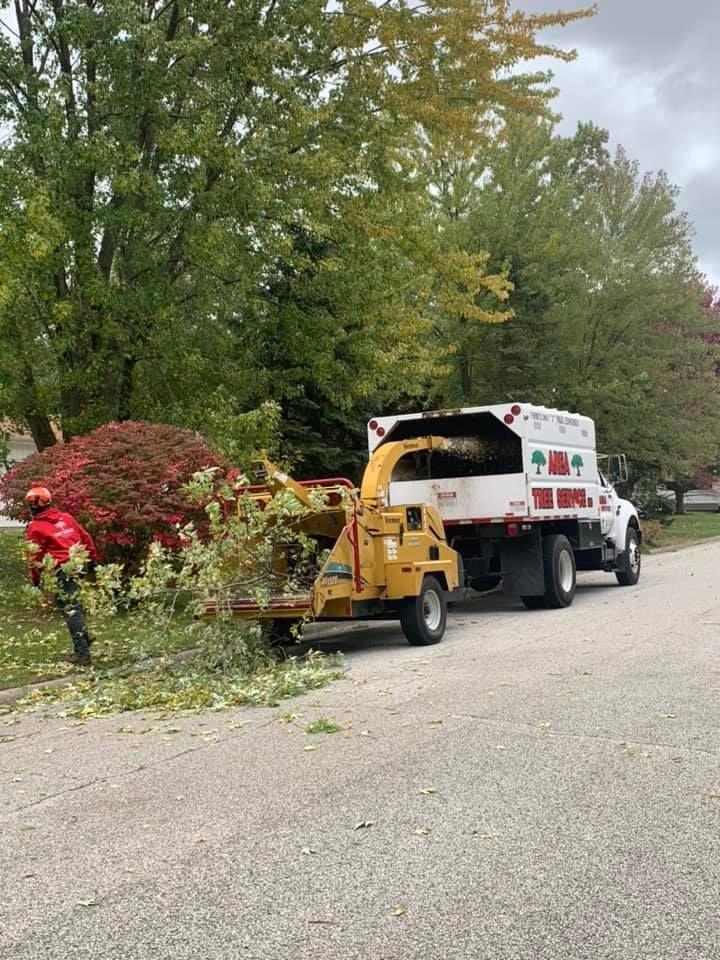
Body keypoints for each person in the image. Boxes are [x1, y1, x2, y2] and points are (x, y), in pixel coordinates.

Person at [24, 484, 99, 667]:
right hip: (79, 565)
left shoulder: (35, 527)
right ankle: (85, 635)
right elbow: (85, 537)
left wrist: (36, 579)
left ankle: (82, 653)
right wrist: (92, 561)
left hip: (62, 569)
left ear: (32, 507)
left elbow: (35, 556)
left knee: (70, 608)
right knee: (69, 603)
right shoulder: (66, 517)